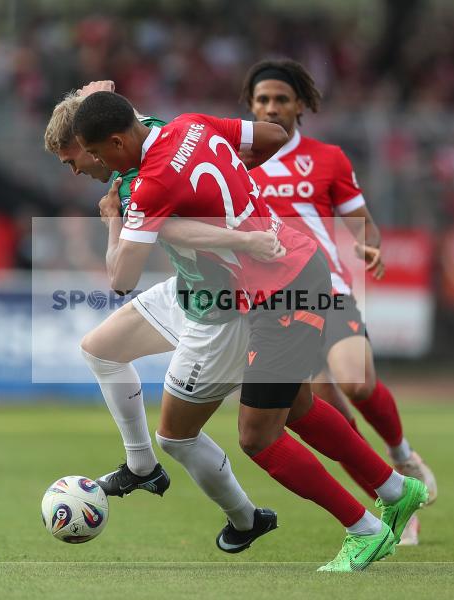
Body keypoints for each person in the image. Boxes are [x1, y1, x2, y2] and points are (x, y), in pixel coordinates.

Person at [73, 91, 427, 572]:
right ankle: (395, 488)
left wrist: (114, 223)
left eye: (98, 153)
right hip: (293, 264)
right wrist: (240, 203)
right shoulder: (192, 124)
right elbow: (270, 137)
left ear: (117, 141)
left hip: (279, 291)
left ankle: (363, 530)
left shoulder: (151, 185)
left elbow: (120, 280)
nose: (98, 163)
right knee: (299, 408)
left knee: (257, 436)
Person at [44, 84, 287, 552]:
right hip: (190, 289)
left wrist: (112, 217)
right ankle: (140, 467)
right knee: (101, 349)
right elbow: (126, 116)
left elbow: (119, 279)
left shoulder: (139, 184)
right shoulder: (157, 129)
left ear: (103, 145)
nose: (75, 169)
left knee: (178, 438)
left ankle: (246, 519)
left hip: (220, 312)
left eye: (76, 157)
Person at [240, 59, 437, 544]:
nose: (271, 107)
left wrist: (369, 244)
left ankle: (402, 453)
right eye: (262, 99)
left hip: (325, 288)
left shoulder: (327, 158)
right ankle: (394, 503)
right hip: (272, 306)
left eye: (281, 99)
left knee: (356, 378)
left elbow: (362, 222)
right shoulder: (233, 163)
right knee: (332, 418)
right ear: (250, 106)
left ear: (300, 105)